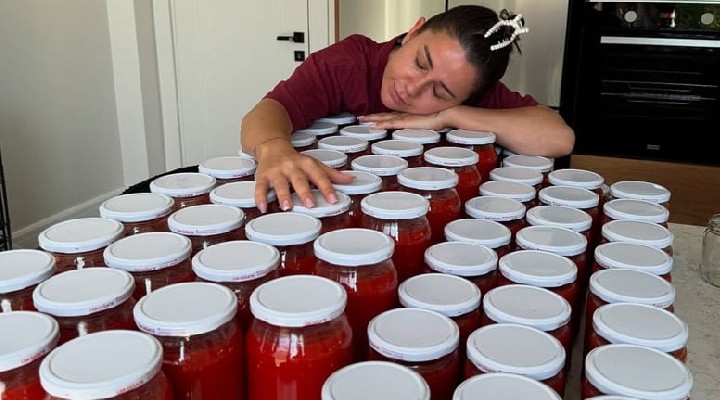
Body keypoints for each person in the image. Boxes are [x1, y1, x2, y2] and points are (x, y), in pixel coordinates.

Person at [240, 5, 575, 213]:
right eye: (419, 62)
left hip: (425, 212)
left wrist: (450, 115)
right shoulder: (349, 63)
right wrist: (273, 149)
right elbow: (267, 111)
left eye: (439, 92)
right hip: (331, 207)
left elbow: (559, 138)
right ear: (413, 32)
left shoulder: (468, 95)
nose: (412, 88)